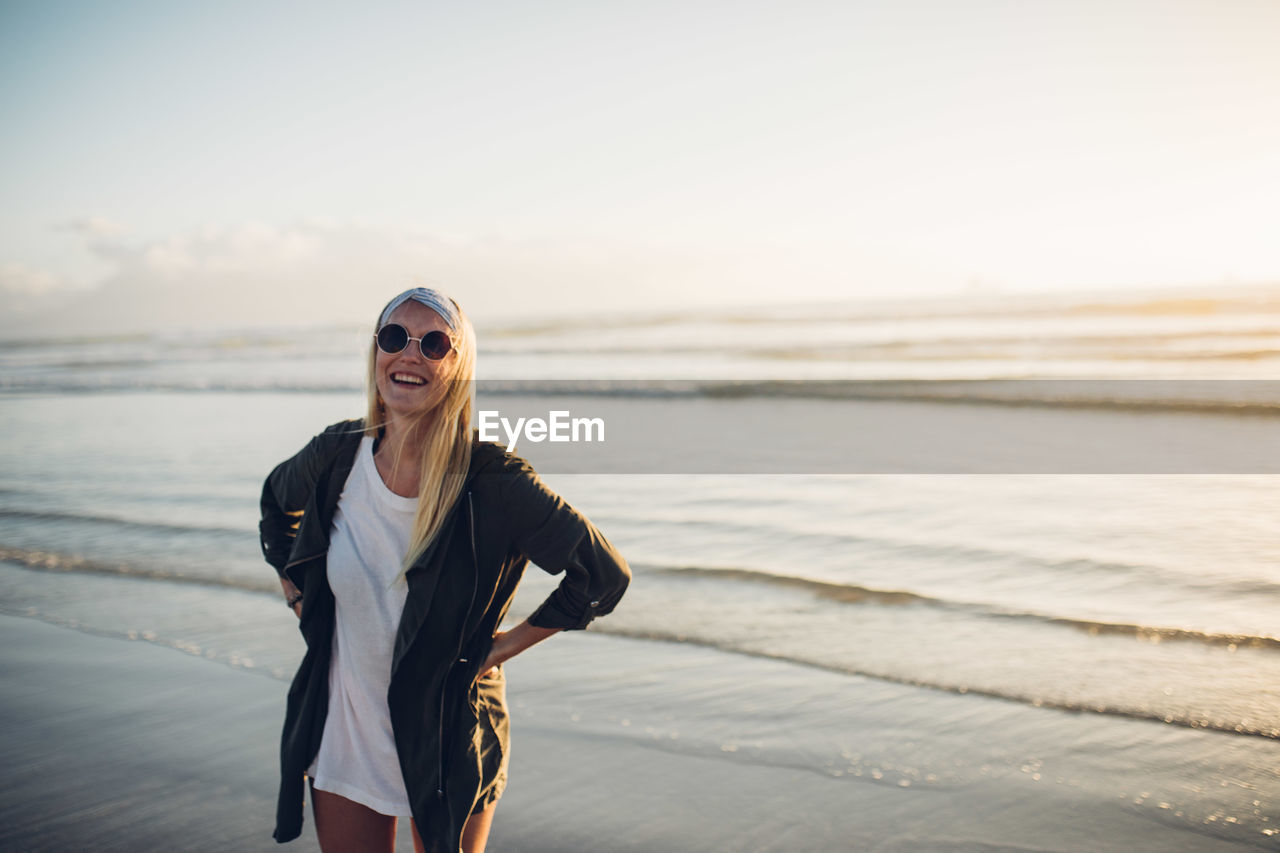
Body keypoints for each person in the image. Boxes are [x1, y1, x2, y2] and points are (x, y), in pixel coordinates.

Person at [259, 287, 630, 853]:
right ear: (375, 352)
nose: (409, 354)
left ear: (457, 367)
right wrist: (297, 596)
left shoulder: (492, 479)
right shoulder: (338, 452)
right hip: (347, 729)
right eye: (394, 338)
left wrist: (504, 647)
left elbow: (602, 572)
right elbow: (275, 505)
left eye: (434, 343)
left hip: (448, 735)